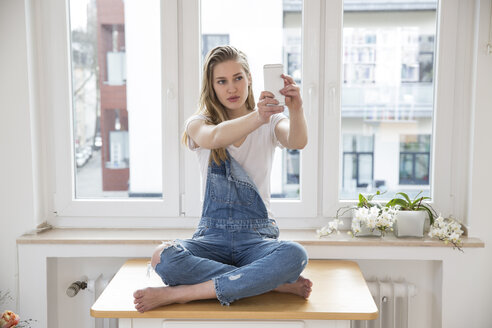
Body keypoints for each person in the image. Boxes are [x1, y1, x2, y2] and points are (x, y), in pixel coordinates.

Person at [133, 45, 312, 312]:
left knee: (295, 255)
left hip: (257, 237)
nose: (232, 88)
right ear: (212, 86)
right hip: (211, 237)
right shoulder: (199, 123)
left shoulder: (272, 121)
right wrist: (258, 116)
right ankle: (267, 282)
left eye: (238, 78)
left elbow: (297, 141)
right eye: (222, 81)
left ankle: (185, 293)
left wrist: (296, 110)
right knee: (162, 257)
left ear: (249, 78)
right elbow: (215, 137)